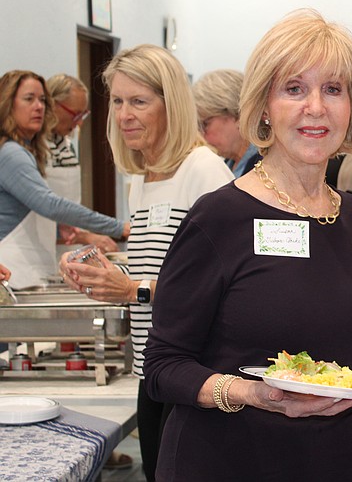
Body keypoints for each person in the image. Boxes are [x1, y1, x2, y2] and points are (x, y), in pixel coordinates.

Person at [143, 9, 352, 481]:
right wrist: (252, 393)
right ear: (265, 106)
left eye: (333, 89)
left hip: (329, 462)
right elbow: (164, 367)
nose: (316, 107)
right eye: (294, 89)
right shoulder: (219, 218)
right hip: (226, 462)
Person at [59, 45, 234, 481]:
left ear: (170, 103)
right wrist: (98, 266)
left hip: (197, 374)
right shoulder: (140, 178)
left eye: (139, 101)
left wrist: (131, 289)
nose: (124, 115)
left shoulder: (204, 170)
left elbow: (225, 285)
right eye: (117, 101)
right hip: (151, 367)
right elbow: (164, 267)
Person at [0, 70, 128, 289]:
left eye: (42, 100)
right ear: (7, 103)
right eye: (29, 99)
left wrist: (62, 229)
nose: (39, 107)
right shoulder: (11, 153)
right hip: (14, 270)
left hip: (31, 269)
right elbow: (50, 204)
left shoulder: (27, 151)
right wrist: (119, 228)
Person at [45, 74, 118, 254]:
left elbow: (70, 207)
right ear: (52, 105)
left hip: (66, 248)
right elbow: (45, 209)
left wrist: (82, 235)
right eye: (75, 114)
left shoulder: (66, 145)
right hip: (36, 250)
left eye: (83, 114)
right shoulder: (31, 150)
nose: (79, 123)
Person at [193, 69, 261, 176]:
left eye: (205, 124)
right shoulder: (224, 168)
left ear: (237, 114)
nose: (202, 136)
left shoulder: (266, 168)